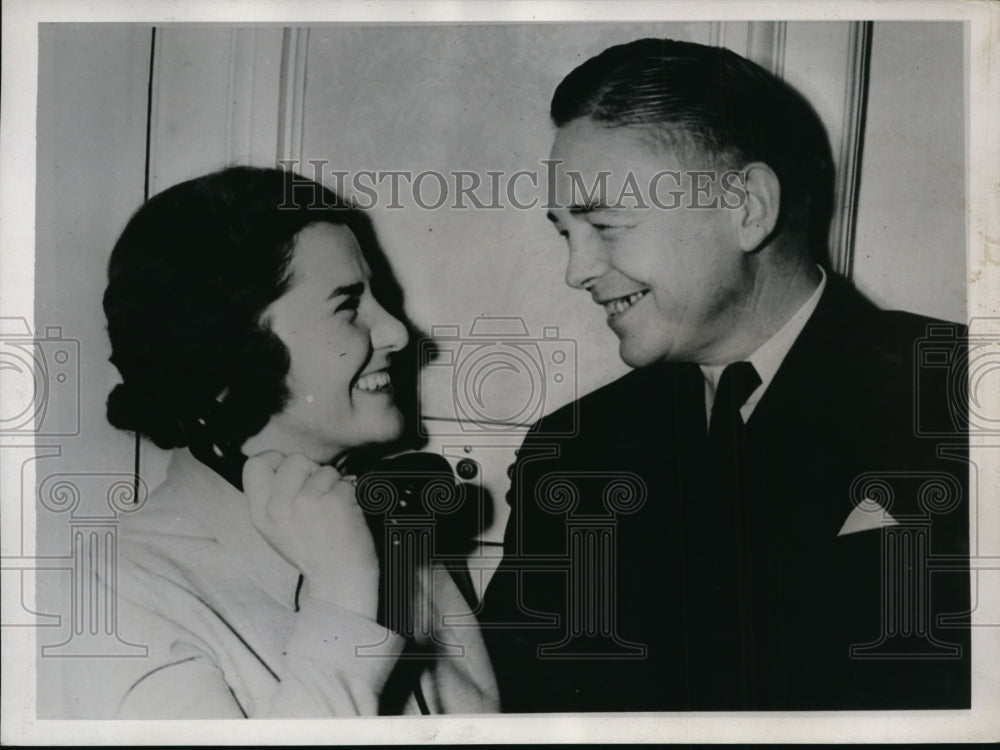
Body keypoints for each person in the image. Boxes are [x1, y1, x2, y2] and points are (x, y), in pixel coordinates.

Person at [480, 38, 970, 711]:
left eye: (605, 224)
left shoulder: (958, 394)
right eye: (566, 232)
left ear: (748, 208)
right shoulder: (570, 450)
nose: (577, 270)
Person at [81, 166, 496, 717]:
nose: (398, 332)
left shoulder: (399, 528)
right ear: (225, 352)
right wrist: (344, 596)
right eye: (348, 305)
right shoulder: (115, 592)